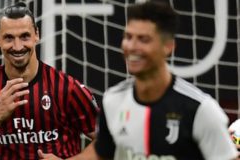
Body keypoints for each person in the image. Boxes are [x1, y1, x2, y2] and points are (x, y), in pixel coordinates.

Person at [0, 2, 99, 160]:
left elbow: (107, 143)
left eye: (24, 36)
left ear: (36, 34)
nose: (17, 46)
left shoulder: (67, 88)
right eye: (9, 38)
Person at [94, 1, 238, 160]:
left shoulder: (201, 109)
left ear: (168, 46)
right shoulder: (112, 100)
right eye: (128, 37)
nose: (132, 46)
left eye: (143, 39)